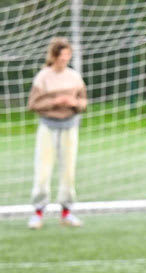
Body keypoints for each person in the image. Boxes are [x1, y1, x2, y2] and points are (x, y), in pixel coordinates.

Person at [26, 37, 88, 229]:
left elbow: (83, 102)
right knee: (43, 171)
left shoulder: (74, 77)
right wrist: (55, 102)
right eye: (63, 55)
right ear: (54, 56)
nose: (66, 59)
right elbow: (33, 104)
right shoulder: (43, 77)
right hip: (48, 128)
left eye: (69, 55)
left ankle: (67, 212)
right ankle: (38, 212)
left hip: (70, 127)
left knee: (68, 171)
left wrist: (74, 104)